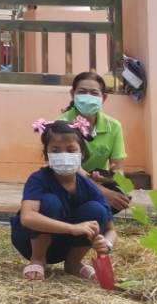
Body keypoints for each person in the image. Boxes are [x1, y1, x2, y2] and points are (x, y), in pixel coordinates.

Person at [12, 119, 116, 281]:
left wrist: (106, 244)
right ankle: (38, 260)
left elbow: (111, 230)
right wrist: (72, 228)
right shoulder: (39, 179)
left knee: (96, 209)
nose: (63, 155)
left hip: (65, 245)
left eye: (70, 149)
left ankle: (73, 264)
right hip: (29, 242)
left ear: (82, 153)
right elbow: (27, 217)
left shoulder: (89, 187)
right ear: (47, 154)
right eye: (56, 150)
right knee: (50, 202)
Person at [58, 71, 130, 210]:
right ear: (73, 94)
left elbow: (118, 168)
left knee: (119, 195)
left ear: (104, 98)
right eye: (82, 92)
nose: (88, 97)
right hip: (67, 181)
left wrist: (108, 178)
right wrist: (101, 191)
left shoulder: (113, 126)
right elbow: (68, 169)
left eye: (94, 93)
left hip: (97, 182)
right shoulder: (62, 124)